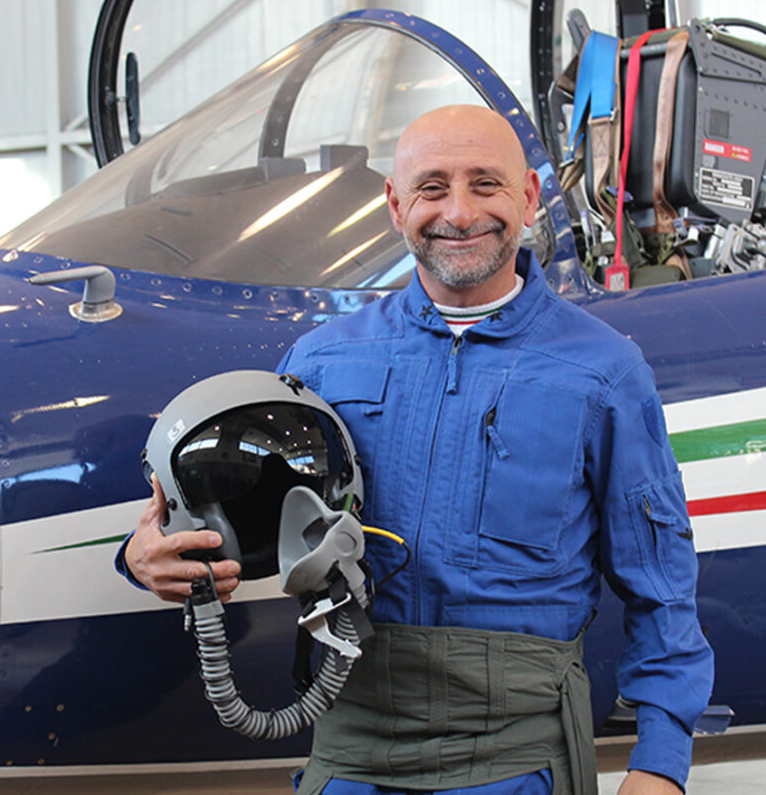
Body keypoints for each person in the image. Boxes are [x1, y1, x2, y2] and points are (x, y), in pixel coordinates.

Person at [121, 105, 713, 795]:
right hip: (353, 744)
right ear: (396, 205)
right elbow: (226, 526)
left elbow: (662, 584)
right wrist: (144, 558)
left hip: (516, 756)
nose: (459, 213)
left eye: (485, 184)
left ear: (527, 198)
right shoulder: (320, 363)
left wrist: (660, 763)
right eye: (432, 188)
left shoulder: (604, 373)